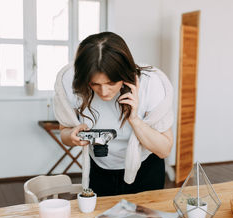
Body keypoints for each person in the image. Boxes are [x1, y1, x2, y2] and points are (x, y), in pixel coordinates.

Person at [53, 32, 174, 196]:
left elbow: (164, 150)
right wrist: (72, 136)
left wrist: (134, 119)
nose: (103, 92)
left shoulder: (151, 84)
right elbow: (64, 133)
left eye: (112, 83)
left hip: (145, 169)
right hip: (99, 169)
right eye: (94, 84)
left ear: (126, 74)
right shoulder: (70, 83)